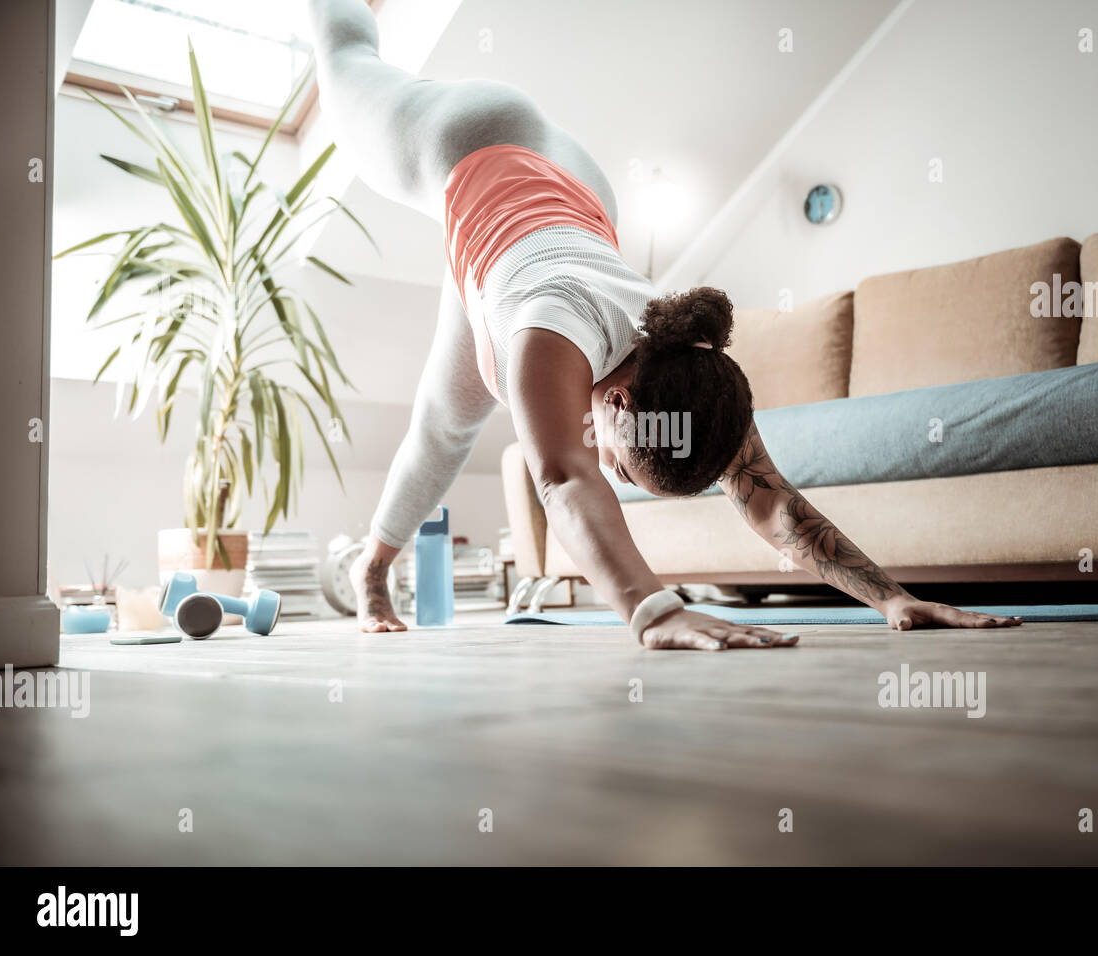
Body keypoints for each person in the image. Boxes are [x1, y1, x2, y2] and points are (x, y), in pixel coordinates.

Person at [306, 0, 1022, 648]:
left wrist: (891, 597)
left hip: (574, 202)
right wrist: (657, 610)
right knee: (344, 61)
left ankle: (369, 569)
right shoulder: (547, 336)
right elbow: (562, 477)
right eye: (623, 462)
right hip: (468, 141)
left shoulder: (697, 379)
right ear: (617, 402)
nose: (609, 465)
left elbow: (773, 508)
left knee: (445, 422)